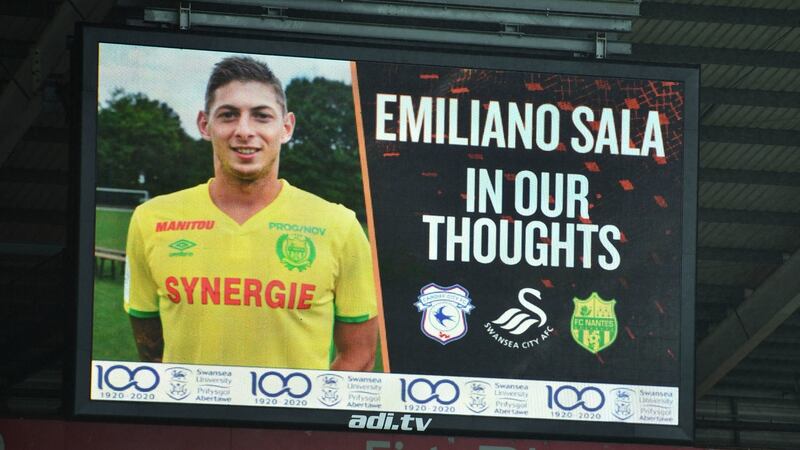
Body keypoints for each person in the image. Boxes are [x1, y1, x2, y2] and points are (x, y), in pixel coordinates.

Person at [123, 56, 378, 371]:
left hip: (291, 422)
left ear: (286, 127)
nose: (244, 131)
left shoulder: (340, 226)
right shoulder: (151, 220)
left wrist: (305, 419)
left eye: (261, 116)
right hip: (189, 421)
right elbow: (150, 350)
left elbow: (360, 354)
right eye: (228, 115)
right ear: (205, 124)